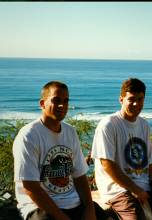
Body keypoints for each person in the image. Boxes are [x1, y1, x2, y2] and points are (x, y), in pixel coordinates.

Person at [13, 81, 108, 220]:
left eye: (65, 101)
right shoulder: (28, 136)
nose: (62, 105)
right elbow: (30, 187)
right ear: (42, 103)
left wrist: (89, 208)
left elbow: (80, 177)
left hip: (72, 203)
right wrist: (62, 217)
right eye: (56, 100)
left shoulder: (70, 132)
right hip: (39, 207)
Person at [91, 78, 152, 220]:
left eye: (140, 99)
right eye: (131, 99)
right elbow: (107, 164)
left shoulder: (144, 125)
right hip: (118, 188)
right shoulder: (108, 125)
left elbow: (149, 159)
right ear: (121, 99)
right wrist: (135, 189)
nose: (136, 104)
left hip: (144, 184)